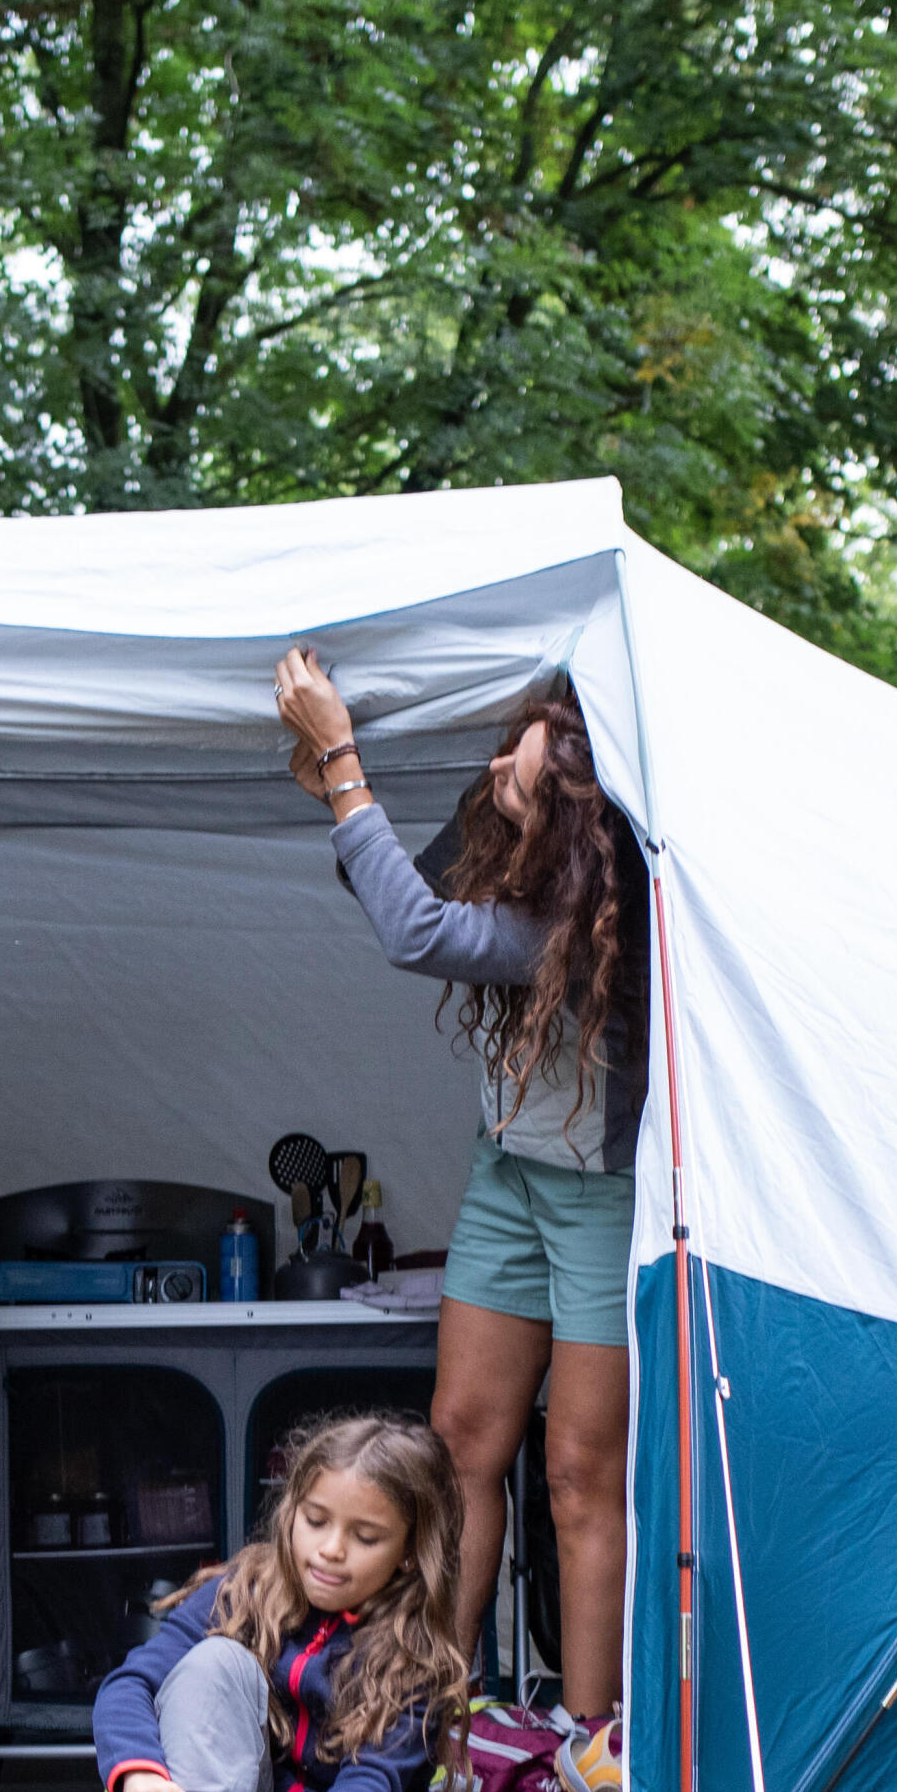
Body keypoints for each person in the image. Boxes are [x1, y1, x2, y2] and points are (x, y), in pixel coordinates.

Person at [272, 653, 648, 1719]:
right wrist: (345, 803)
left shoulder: (583, 919)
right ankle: (434, 1719)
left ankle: (586, 1753)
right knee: (459, 1440)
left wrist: (346, 760)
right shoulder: (517, 857)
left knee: (577, 1473)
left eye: (517, 776)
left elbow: (420, 932)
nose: (494, 776)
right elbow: (401, 881)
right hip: (510, 1174)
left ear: (574, 826)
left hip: (599, 1197)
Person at [88, 1414, 467, 1792]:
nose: (331, 1549)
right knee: (218, 1658)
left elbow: (370, 1791)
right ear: (291, 1513)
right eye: (315, 1521)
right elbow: (130, 1684)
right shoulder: (242, 1591)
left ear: (410, 1552)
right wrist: (142, 1775)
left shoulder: (417, 1657)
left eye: (365, 1537)